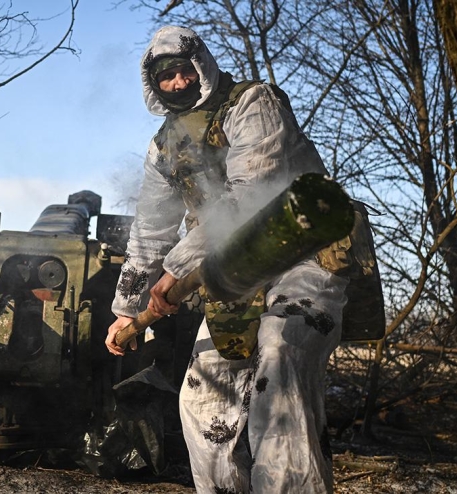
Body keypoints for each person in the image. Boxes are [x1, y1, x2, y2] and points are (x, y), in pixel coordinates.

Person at [105, 26, 348, 493]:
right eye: (165, 78)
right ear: (151, 85)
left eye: (182, 72)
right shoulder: (163, 146)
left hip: (302, 253)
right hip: (231, 273)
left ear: (201, 66)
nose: (177, 84)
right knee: (203, 393)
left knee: (281, 354)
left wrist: (179, 264)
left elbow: (251, 193)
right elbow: (151, 228)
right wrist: (127, 309)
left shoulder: (253, 104)